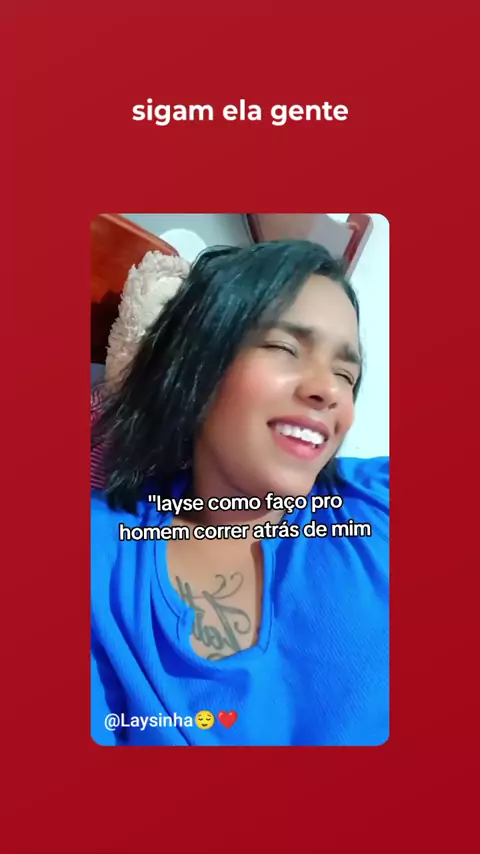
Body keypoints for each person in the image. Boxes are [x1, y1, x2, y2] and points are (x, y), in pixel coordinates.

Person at [91, 240, 389, 746]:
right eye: (284, 348)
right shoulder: (100, 560)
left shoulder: (378, 496)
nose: (327, 390)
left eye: (346, 374)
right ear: (198, 361)